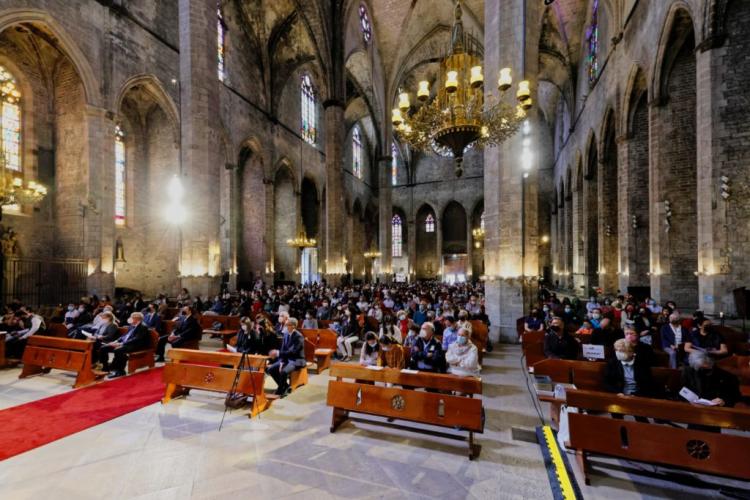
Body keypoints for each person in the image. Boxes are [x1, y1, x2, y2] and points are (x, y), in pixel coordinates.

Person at [99, 312, 151, 378]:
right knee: (104, 348)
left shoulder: (143, 327)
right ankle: (105, 367)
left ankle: (120, 371)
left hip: (137, 345)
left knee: (119, 350)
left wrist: (121, 344)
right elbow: (125, 336)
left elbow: (137, 339)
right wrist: (116, 341)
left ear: (137, 319)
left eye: (132, 317)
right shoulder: (132, 325)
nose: (130, 318)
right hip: (127, 343)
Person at [267, 317, 306, 397]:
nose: (285, 326)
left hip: (296, 360)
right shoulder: (286, 334)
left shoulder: (299, 337)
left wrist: (277, 353)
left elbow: (293, 352)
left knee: (284, 372)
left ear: (293, 326)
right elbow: (283, 349)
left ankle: (281, 390)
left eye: (287, 325)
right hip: (287, 359)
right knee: (270, 369)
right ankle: (286, 386)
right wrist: (281, 361)